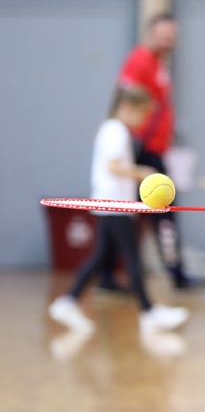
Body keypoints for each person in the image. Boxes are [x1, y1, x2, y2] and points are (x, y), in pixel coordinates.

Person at [49, 86, 190, 335]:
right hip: (114, 204)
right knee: (132, 258)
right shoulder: (116, 130)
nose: (144, 121)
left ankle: (68, 302)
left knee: (102, 256)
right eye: (142, 114)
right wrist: (142, 173)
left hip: (111, 203)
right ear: (127, 108)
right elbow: (113, 166)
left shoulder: (112, 130)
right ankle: (149, 313)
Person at [98, 12, 205, 291]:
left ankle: (110, 277)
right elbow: (124, 98)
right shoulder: (140, 60)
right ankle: (175, 274)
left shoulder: (158, 64)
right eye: (163, 35)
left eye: (172, 37)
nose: (168, 41)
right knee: (159, 213)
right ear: (150, 33)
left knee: (128, 216)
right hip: (144, 152)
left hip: (156, 149)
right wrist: (129, 142)